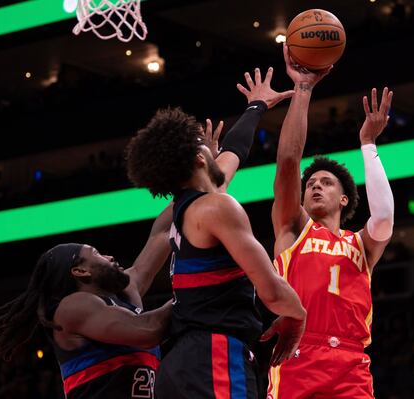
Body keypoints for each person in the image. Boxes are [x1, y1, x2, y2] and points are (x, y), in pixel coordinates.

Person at [126, 67, 307, 399]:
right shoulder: (217, 208)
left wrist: (257, 106)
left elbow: (234, 152)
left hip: (184, 364)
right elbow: (271, 290)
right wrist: (297, 317)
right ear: (199, 158)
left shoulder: (180, 210)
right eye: (204, 146)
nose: (214, 147)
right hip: (214, 357)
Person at [267, 45, 395, 399]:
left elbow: (384, 216)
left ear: (343, 198)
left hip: (351, 364)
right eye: (311, 184)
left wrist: (368, 143)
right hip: (299, 355)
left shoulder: (361, 247)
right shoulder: (294, 229)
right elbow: (289, 162)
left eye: (325, 182)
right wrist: (303, 89)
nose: (314, 186)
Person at [0, 205, 174, 399]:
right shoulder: (71, 309)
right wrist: (195, 288)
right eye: (98, 253)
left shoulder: (125, 295)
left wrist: (191, 189)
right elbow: (150, 330)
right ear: (80, 271)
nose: (110, 257)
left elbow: (163, 233)